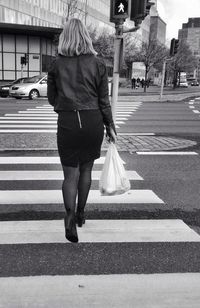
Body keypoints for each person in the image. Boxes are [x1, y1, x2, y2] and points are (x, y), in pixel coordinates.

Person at [47, 18, 116, 243]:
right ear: (86, 36)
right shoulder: (98, 64)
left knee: (70, 175)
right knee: (86, 170)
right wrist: (110, 126)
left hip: (68, 121)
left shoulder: (56, 64)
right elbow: (104, 100)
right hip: (92, 121)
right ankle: (81, 213)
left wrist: (66, 103)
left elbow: (51, 99)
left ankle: (68, 218)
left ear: (65, 37)